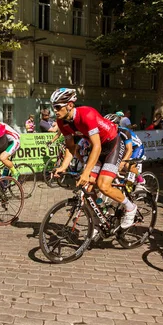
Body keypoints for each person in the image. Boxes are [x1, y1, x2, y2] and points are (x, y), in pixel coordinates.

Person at [50, 88, 137, 228]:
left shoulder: (86, 114)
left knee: (103, 185)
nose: (55, 110)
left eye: (57, 107)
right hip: (98, 148)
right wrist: (63, 166)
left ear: (70, 105)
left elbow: (97, 146)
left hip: (112, 144)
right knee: (88, 187)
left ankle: (130, 207)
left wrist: (85, 172)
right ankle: (100, 217)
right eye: (53, 107)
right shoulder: (62, 122)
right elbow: (71, 148)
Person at [104, 113, 145, 184]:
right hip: (125, 149)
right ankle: (125, 183)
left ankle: (140, 180)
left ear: (116, 125)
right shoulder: (108, 133)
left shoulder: (123, 132)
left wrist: (122, 163)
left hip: (136, 148)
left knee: (127, 165)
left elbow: (129, 150)